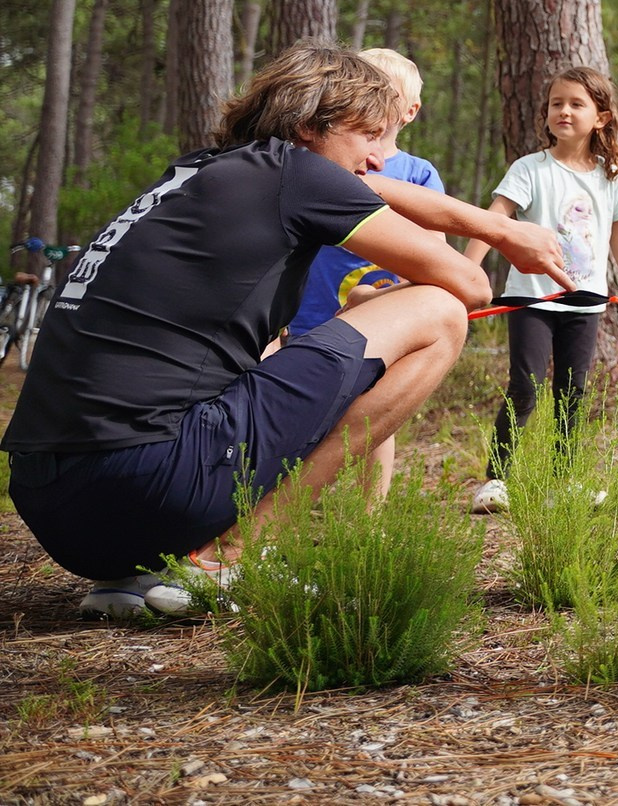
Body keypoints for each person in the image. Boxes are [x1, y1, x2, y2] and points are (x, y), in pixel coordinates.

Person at [0, 44, 571, 618]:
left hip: (54, 507)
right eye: (368, 135)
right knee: (439, 312)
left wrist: (486, 231)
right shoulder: (295, 174)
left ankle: (131, 576)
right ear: (307, 126)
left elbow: (343, 186)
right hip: (150, 484)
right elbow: (468, 286)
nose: (378, 160)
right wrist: (494, 235)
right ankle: (230, 556)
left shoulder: (198, 173)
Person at [461, 66, 618, 514]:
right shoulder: (530, 169)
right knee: (525, 386)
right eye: (556, 103)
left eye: (576, 104)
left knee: (573, 394)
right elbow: (494, 220)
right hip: (531, 299)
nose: (563, 111)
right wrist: (464, 274)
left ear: (601, 118)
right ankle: (496, 480)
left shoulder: (612, 178)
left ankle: (563, 483)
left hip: (586, 304)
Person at [280, 48, 442, 500]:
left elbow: (436, 252)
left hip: (382, 312)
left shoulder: (418, 173)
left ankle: (371, 511)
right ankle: (293, 499)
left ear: (410, 111)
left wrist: (400, 298)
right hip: (313, 307)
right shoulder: (322, 163)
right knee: (301, 406)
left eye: (388, 92)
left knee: (374, 410)